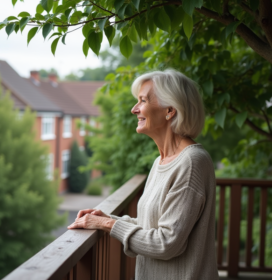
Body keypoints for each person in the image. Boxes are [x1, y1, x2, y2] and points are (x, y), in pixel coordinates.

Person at [68, 69, 219, 280]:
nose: (134, 109)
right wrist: (107, 218)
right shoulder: (161, 161)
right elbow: (152, 225)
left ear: (170, 110)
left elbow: (166, 243)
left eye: (142, 100)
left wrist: (107, 225)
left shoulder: (192, 162)